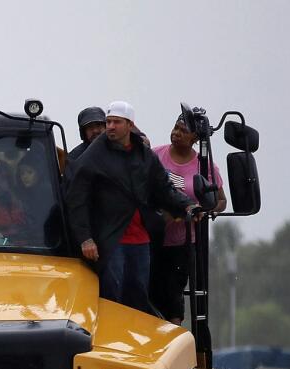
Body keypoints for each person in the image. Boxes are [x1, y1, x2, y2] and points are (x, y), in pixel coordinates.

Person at [66, 100, 196, 317]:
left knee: (138, 299)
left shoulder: (144, 155)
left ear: (129, 125)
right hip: (110, 240)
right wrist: (85, 238)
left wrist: (188, 206)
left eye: (116, 122)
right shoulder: (93, 155)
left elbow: (163, 188)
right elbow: (76, 198)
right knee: (111, 299)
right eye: (108, 122)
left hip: (141, 240)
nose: (110, 127)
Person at [151, 112, 227, 323]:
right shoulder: (155, 156)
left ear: (195, 138)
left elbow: (221, 201)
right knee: (149, 294)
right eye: (175, 128)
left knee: (174, 296)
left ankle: (173, 339)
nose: (176, 134)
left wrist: (202, 210)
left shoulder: (205, 167)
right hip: (151, 238)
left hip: (184, 243)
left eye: (183, 131)